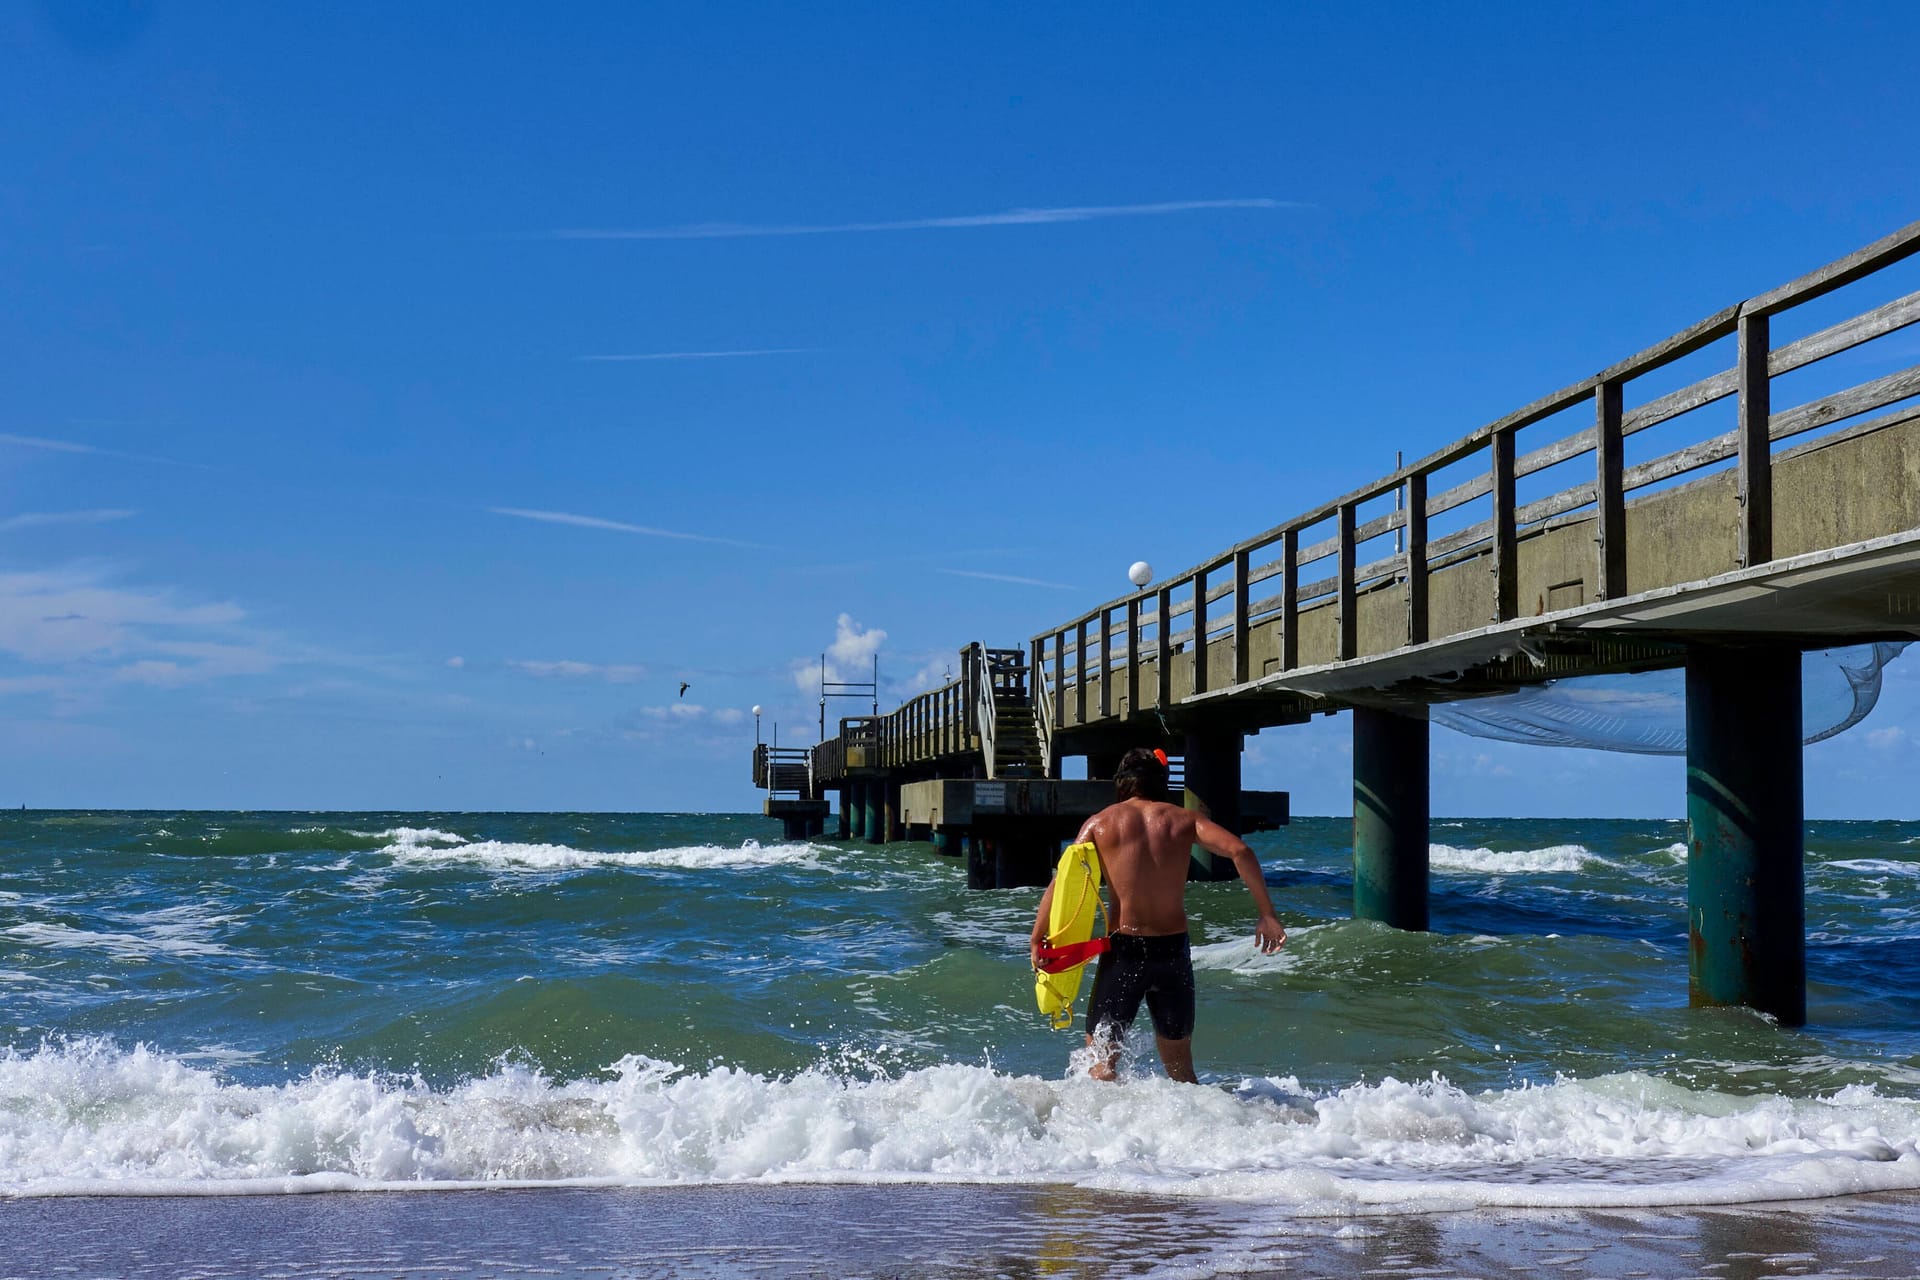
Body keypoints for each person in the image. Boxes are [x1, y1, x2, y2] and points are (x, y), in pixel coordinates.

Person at [1029, 746, 1286, 1083]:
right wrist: (1267, 914)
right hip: (1172, 954)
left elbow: (1064, 878)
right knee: (1182, 1073)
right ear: (1161, 782)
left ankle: (1099, 1134)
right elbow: (1241, 851)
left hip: (1124, 953)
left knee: (1102, 1067)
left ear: (1122, 782)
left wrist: (1037, 938)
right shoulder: (1185, 820)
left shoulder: (1100, 823)